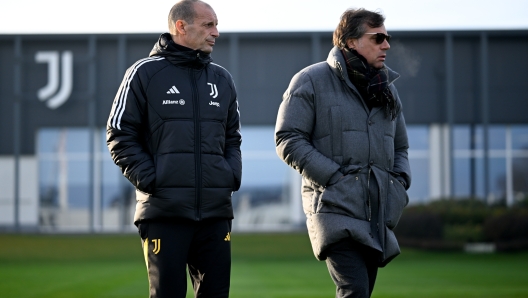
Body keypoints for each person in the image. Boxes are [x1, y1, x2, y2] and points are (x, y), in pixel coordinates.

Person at [106, 1, 242, 297]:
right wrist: (154, 181)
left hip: (215, 213)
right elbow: (118, 132)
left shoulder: (222, 79)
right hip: (164, 212)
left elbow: (232, 138)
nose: (216, 33)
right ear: (181, 26)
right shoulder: (143, 73)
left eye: (216, 25)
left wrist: (228, 177)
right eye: (208, 25)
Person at [275, 8, 411, 298]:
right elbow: (287, 138)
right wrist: (334, 178)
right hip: (333, 209)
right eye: (377, 38)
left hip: (376, 213)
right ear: (351, 41)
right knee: (354, 289)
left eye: (386, 38)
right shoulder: (310, 80)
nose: (386, 45)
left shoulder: (387, 90)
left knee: (362, 291)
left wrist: (399, 182)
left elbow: (401, 147)